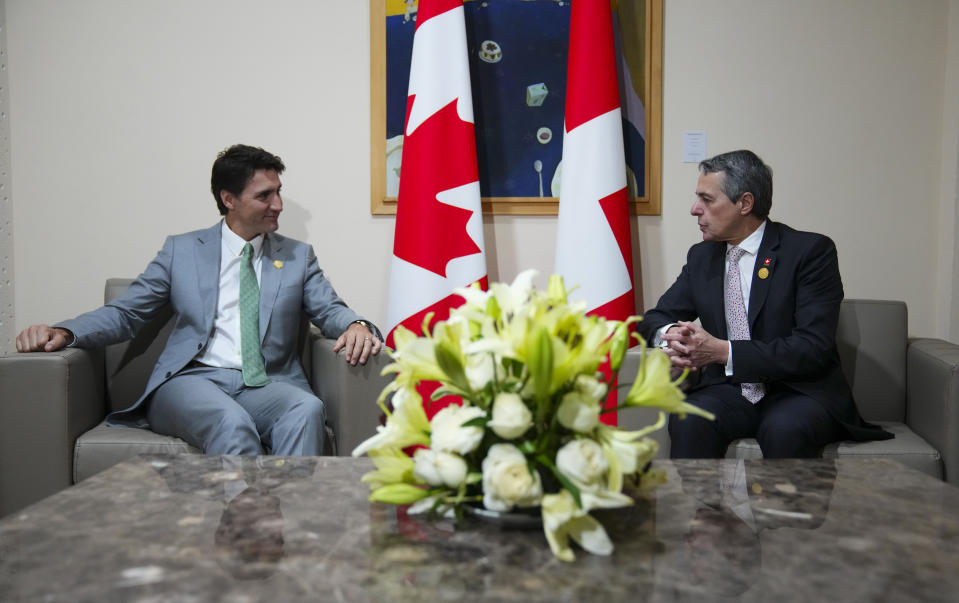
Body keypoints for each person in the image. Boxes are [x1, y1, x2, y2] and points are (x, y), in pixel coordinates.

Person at [15, 144, 382, 456]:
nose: (278, 204)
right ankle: (246, 533)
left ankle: (293, 526)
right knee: (231, 422)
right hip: (193, 381)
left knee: (307, 408)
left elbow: (329, 307)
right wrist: (65, 331)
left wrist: (356, 324)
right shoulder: (183, 251)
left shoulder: (298, 257)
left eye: (279, 191)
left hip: (267, 383)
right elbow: (127, 313)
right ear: (228, 199)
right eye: (264, 195)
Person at [638, 149, 891, 458]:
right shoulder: (702, 257)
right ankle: (701, 509)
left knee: (785, 429)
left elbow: (812, 347)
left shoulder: (810, 252)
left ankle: (781, 510)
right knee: (689, 417)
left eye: (707, 199)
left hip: (797, 391)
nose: (694, 209)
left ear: (744, 203)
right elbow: (655, 317)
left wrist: (722, 351)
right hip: (730, 390)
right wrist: (671, 336)